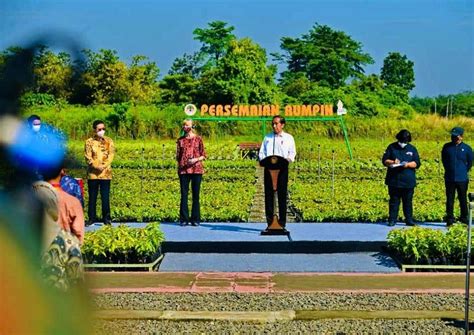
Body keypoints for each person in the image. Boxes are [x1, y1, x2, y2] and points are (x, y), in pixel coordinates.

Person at [258, 115, 296, 228]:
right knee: (269, 195)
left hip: (282, 169)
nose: (274, 126)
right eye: (273, 124)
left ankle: (282, 223)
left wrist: (287, 160)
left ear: (282, 124)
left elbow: (292, 153)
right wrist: (263, 160)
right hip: (269, 169)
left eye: (276, 123)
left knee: (282, 195)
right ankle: (270, 223)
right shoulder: (267, 138)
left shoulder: (289, 138)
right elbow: (261, 153)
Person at [382, 129, 421, 226]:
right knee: (394, 201)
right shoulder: (391, 147)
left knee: (408, 202)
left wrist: (407, 165)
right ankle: (392, 219)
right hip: (394, 180)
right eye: (401, 141)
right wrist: (393, 162)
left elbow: (417, 163)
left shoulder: (412, 149)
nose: (403, 143)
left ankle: (409, 219)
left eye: (405, 141)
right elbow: (385, 160)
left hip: (408, 180)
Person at [176, 119, 206, 226]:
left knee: (195, 195)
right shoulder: (180, 140)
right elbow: (178, 156)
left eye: (187, 125)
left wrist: (196, 159)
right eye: (183, 125)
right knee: (184, 195)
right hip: (183, 171)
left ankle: (195, 219)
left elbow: (203, 155)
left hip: (196, 170)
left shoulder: (198, 139)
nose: (185, 127)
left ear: (192, 126)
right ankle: (184, 219)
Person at [84, 120, 115, 226]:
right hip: (93, 174)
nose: (102, 131)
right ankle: (91, 218)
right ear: (94, 130)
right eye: (99, 129)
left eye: (103, 129)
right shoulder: (89, 142)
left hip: (106, 174)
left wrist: (104, 166)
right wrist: (96, 166)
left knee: (105, 197)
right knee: (92, 197)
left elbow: (111, 155)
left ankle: (107, 219)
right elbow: (88, 157)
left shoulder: (109, 141)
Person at [441, 127, 473, 226]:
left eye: (456, 136)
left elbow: (470, 163)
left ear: (461, 136)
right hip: (450, 178)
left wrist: (463, 171)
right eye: (452, 136)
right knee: (450, 199)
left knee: (462, 198)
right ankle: (450, 218)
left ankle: (464, 217)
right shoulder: (446, 147)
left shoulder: (467, 148)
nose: (453, 138)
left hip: (462, 178)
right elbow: (444, 161)